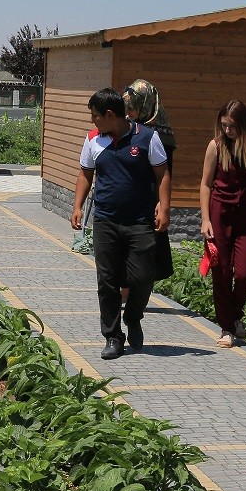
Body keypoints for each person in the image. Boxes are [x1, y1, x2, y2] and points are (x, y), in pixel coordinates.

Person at [71, 87, 171, 360]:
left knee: (143, 276)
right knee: (107, 280)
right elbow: (85, 173)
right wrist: (78, 206)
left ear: (111, 114)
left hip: (140, 221)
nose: (93, 121)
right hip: (106, 220)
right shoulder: (93, 139)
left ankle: (134, 316)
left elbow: (162, 174)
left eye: (95, 116)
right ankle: (113, 337)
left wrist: (164, 207)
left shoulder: (148, 138)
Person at [199, 99, 246, 348]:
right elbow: (206, 184)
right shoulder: (216, 146)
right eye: (224, 125)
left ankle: (235, 315)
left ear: (243, 124)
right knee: (222, 270)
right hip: (220, 214)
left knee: (245, 271)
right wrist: (205, 219)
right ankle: (227, 328)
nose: (228, 131)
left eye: (232, 126)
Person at [123, 80, 177, 282]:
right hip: (129, 197)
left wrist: (162, 205)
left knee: (144, 249)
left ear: (145, 106)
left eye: (132, 109)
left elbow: (165, 174)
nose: (128, 114)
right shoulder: (129, 129)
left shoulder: (160, 136)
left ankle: (135, 292)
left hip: (149, 200)